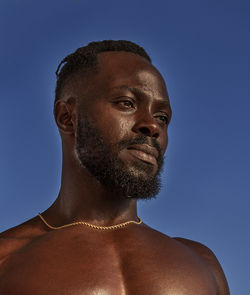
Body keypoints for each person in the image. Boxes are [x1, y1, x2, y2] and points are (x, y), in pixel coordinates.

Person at [0, 40, 230, 294]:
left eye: (162, 117)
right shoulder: (6, 259)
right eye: (126, 103)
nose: (152, 126)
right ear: (67, 118)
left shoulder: (203, 264)